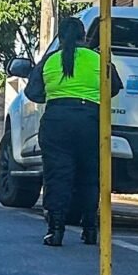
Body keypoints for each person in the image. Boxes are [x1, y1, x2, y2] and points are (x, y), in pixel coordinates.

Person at [25, 13, 120, 247]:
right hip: (90, 121)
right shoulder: (98, 58)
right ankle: (90, 230)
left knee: (57, 176)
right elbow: (114, 87)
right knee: (90, 176)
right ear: (84, 37)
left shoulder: (50, 61)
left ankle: (55, 230)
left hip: (57, 121)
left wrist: (57, 94)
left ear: (60, 38)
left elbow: (33, 92)